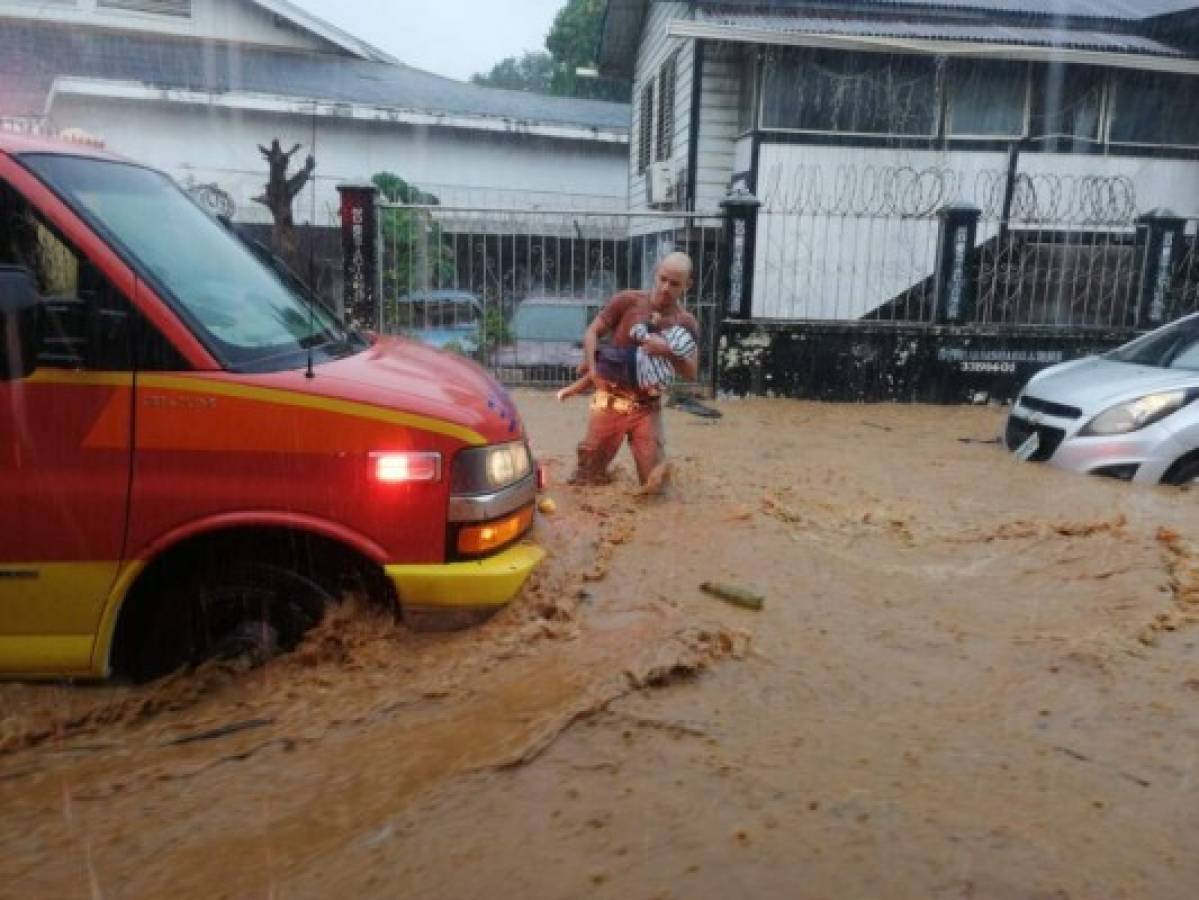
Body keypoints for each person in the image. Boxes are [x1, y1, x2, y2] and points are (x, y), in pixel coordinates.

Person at [568, 251, 699, 491]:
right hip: (609, 401)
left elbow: (691, 372)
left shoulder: (686, 323)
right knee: (585, 482)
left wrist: (667, 350)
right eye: (662, 279)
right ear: (656, 273)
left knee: (655, 489)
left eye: (674, 284)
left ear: (687, 286)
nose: (665, 287)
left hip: (648, 408)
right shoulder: (627, 301)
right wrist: (593, 369)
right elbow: (592, 332)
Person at [556, 316, 697, 402]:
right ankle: (575, 384)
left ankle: (580, 374)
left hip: (632, 361)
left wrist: (648, 325)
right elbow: (665, 380)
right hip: (641, 382)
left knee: (603, 358)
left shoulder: (661, 341)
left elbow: (635, 332)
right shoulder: (679, 357)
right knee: (602, 371)